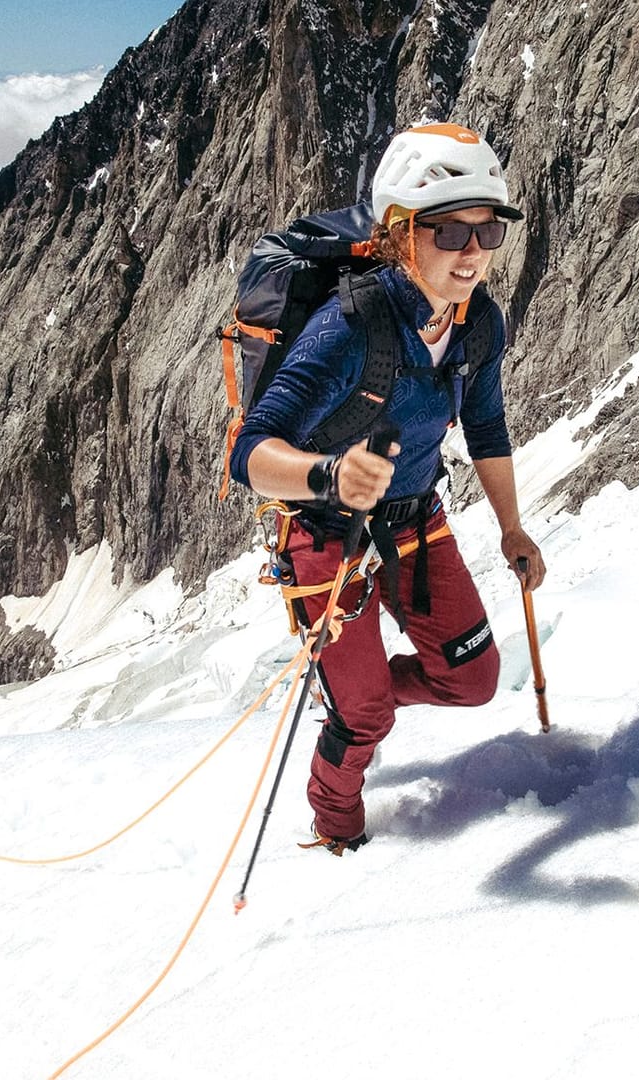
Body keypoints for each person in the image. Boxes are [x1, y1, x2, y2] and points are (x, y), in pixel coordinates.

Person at [228, 123, 546, 855]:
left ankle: (354, 686)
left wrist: (512, 530)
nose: (472, 252)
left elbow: (487, 429)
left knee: (472, 679)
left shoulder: (477, 325)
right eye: (450, 231)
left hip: (415, 520)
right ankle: (337, 837)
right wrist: (327, 475)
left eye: (488, 230)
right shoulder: (350, 326)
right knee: (365, 721)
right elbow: (250, 451)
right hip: (324, 537)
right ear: (402, 234)